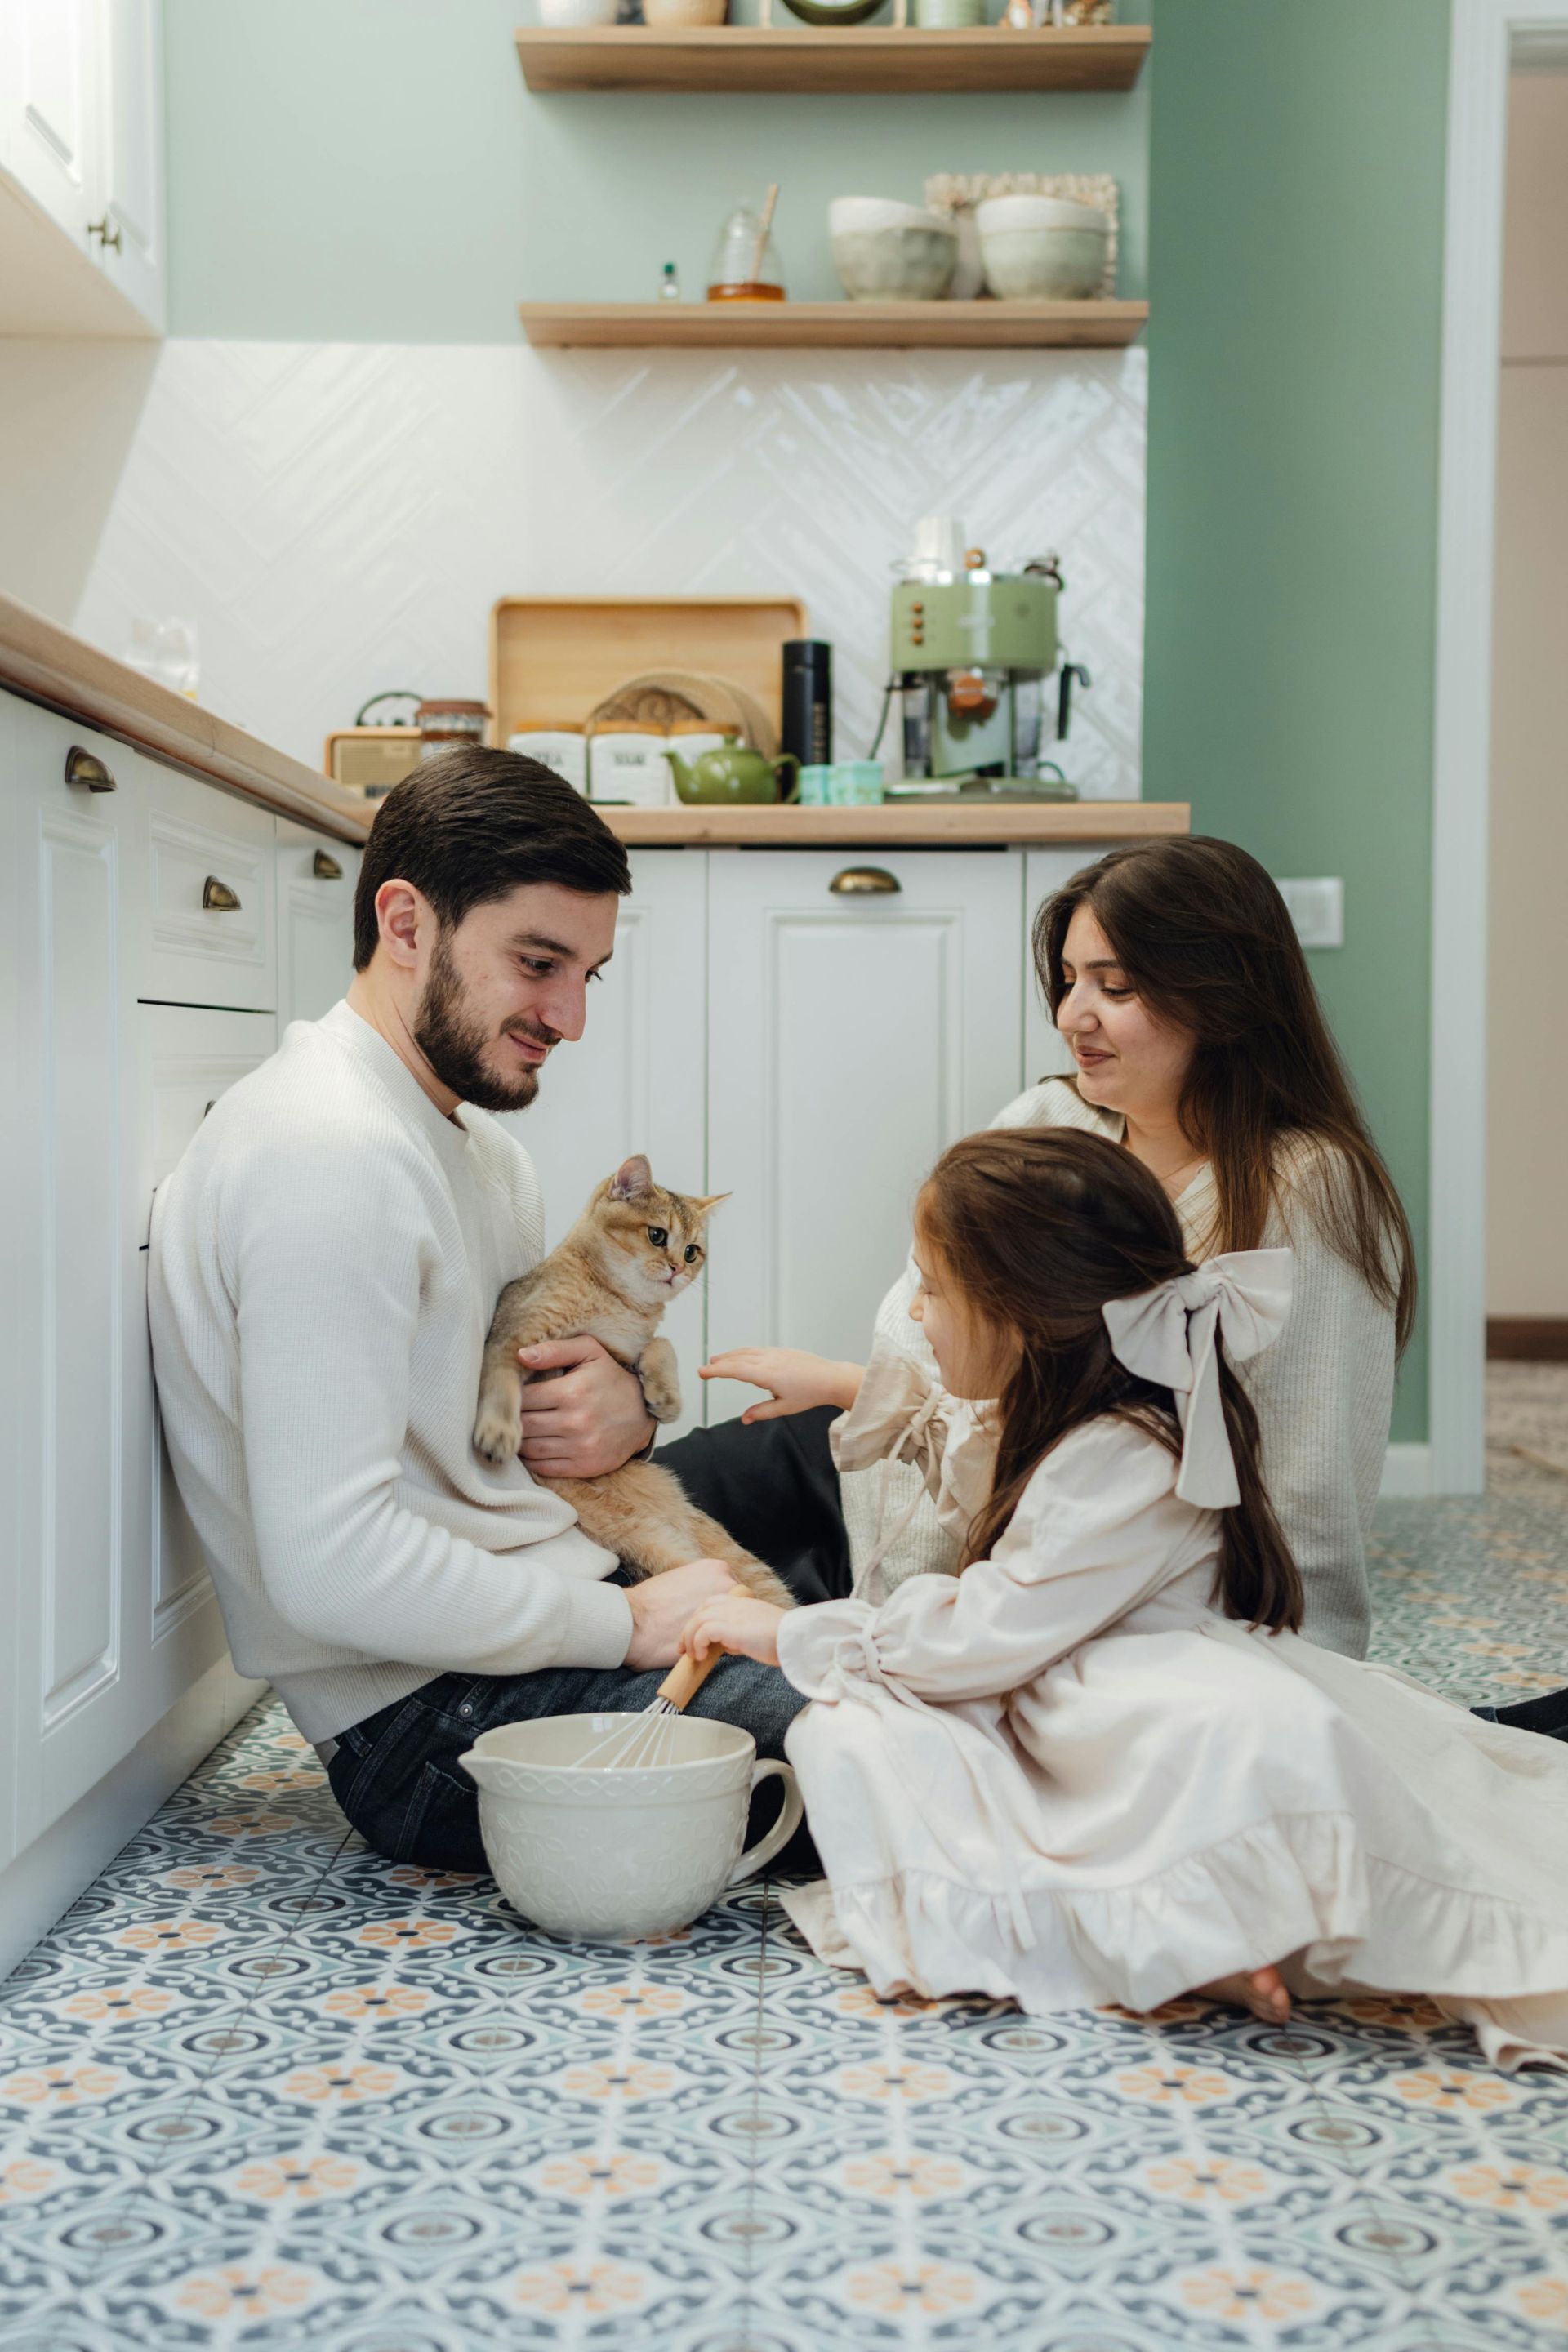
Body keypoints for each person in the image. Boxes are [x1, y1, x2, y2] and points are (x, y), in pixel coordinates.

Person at [681, 1128, 1568, 2064]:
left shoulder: (1128, 1453)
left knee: (857, 1725)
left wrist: (792, 1633)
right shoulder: (1074, 1412)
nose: (916, 1314)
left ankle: (1175, 1938)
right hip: (1071, 1685)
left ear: (1023, 1313)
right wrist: (843, 1387)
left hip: (1146, 1711)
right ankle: (1181, 1940)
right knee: (861, 1732)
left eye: (933, 1290)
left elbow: (982, 1634)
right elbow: (977, 1457)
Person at [149, 750, 805, 1873]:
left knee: (814, 1455)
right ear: (405, 924)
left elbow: (499, 1415)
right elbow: (331, 1564)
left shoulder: (478, 1148)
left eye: (588, 975)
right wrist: (630, 1625)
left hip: (543, 1579)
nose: (569, 1017)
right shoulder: (325, 1157)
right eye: (539, 963)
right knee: (889, 1743)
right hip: (425, 1726)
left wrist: (625, 1417)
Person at [693, 837, 1416, 1661]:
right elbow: (923, 1329)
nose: (1073, 1015)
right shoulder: (1048, 1123)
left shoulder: (1307, 1189)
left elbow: (1309, 1492)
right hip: (893, 1483)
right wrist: (848, 1388)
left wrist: (1301, 1685)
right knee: (622, 1518)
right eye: (1070, 981)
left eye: (1117, 986)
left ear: (1221, 996)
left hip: (1053, 1575)